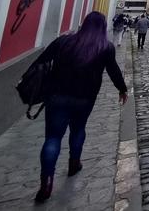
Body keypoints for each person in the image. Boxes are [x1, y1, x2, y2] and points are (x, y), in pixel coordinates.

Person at [30, 12, 128, 202]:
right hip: (85, 98)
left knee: (52, 138)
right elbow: (113, 70)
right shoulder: (105, 47)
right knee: (78, 130)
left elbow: (41, 62)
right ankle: (74, 163)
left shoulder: (63, 42)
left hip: (57, 96)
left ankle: (46, 183)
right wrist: (122, 89)